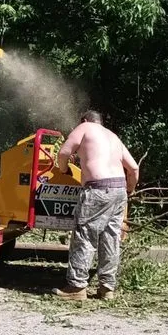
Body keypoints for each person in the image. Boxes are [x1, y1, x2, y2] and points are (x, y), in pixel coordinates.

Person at [53, 110, 140, 300]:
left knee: (85, 236)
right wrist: (129, 190)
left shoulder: (84, 128)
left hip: (97, 190)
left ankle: (76, 288)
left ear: (84, 120)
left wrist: (64, 169)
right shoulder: (113, 136)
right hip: (119, 190)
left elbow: (64, 152)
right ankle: (107, 288)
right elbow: (133, 168)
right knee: (110, 239)